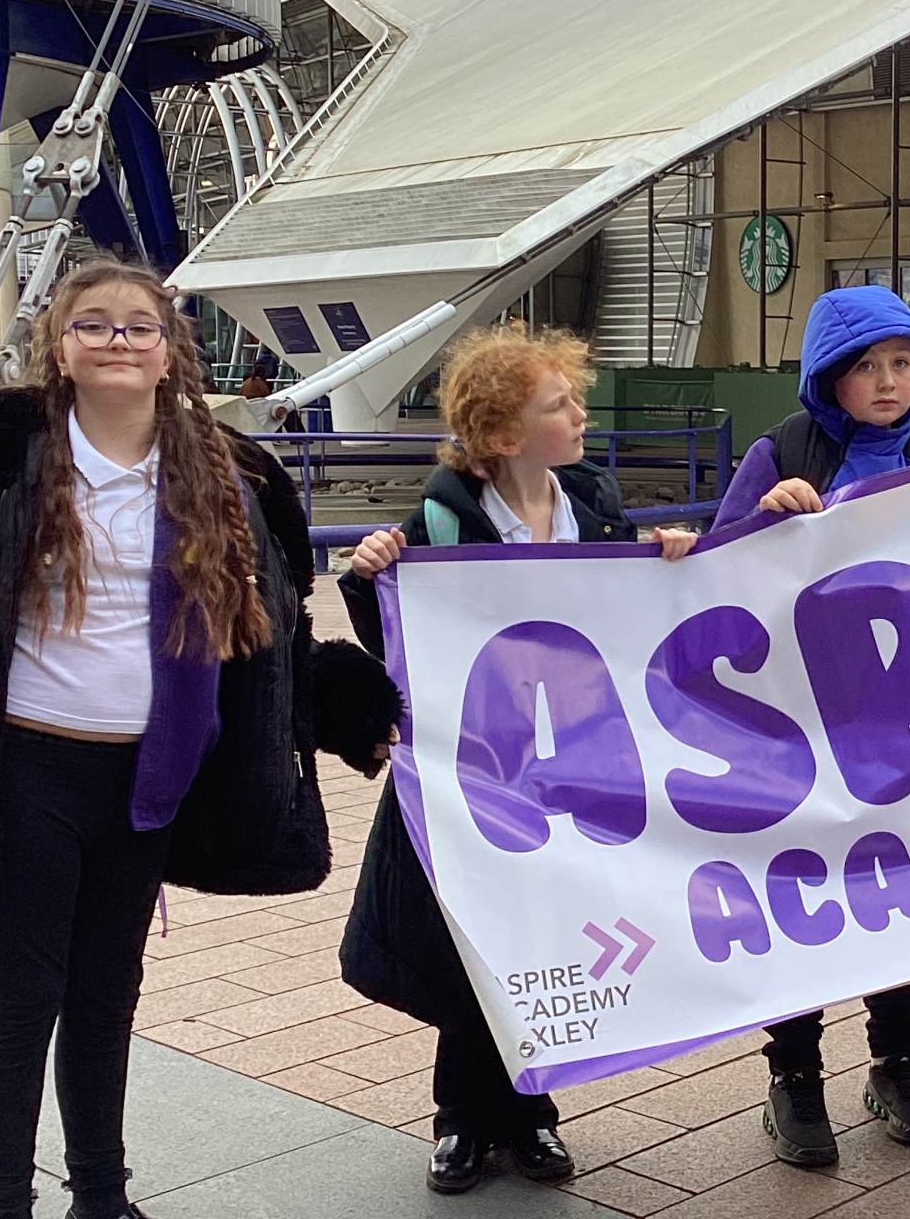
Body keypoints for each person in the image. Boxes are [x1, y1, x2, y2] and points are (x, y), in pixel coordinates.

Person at [0, 259, 399, 1219]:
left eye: (139, 326)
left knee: (106, 998)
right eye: (92, 324)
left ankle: (102, 1197)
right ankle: (3, 1204)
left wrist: (349, 706)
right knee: (20, 1002)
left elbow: (269, 636)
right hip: (28, 771)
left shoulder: (226, 476)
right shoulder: (7, 460)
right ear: (59, 348)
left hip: (149, 779)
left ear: (169, 349)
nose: (118, 340)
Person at [338, 324, 695, 1196]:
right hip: (477, 774)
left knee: (543, 937)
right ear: (502, 435)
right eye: (559, 405)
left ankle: (530, 1114)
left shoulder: (592, 501)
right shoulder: (441, 519)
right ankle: (463, 1119)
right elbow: (402, 644)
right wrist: (366, 576)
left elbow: (628, 614)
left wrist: (668, 559)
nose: (579, 415)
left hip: (569, 767)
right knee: (474, 940)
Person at [710, 285, 910, 1169]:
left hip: (899, 725)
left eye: (902, 363)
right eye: (867, 366)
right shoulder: (783, 451)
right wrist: (763, 520)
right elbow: (714, 574)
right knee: (802, 892)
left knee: (897, 892)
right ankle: (795, 1074)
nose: (888, 382)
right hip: (796, 725)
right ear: (828, 377)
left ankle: (896, 1061)